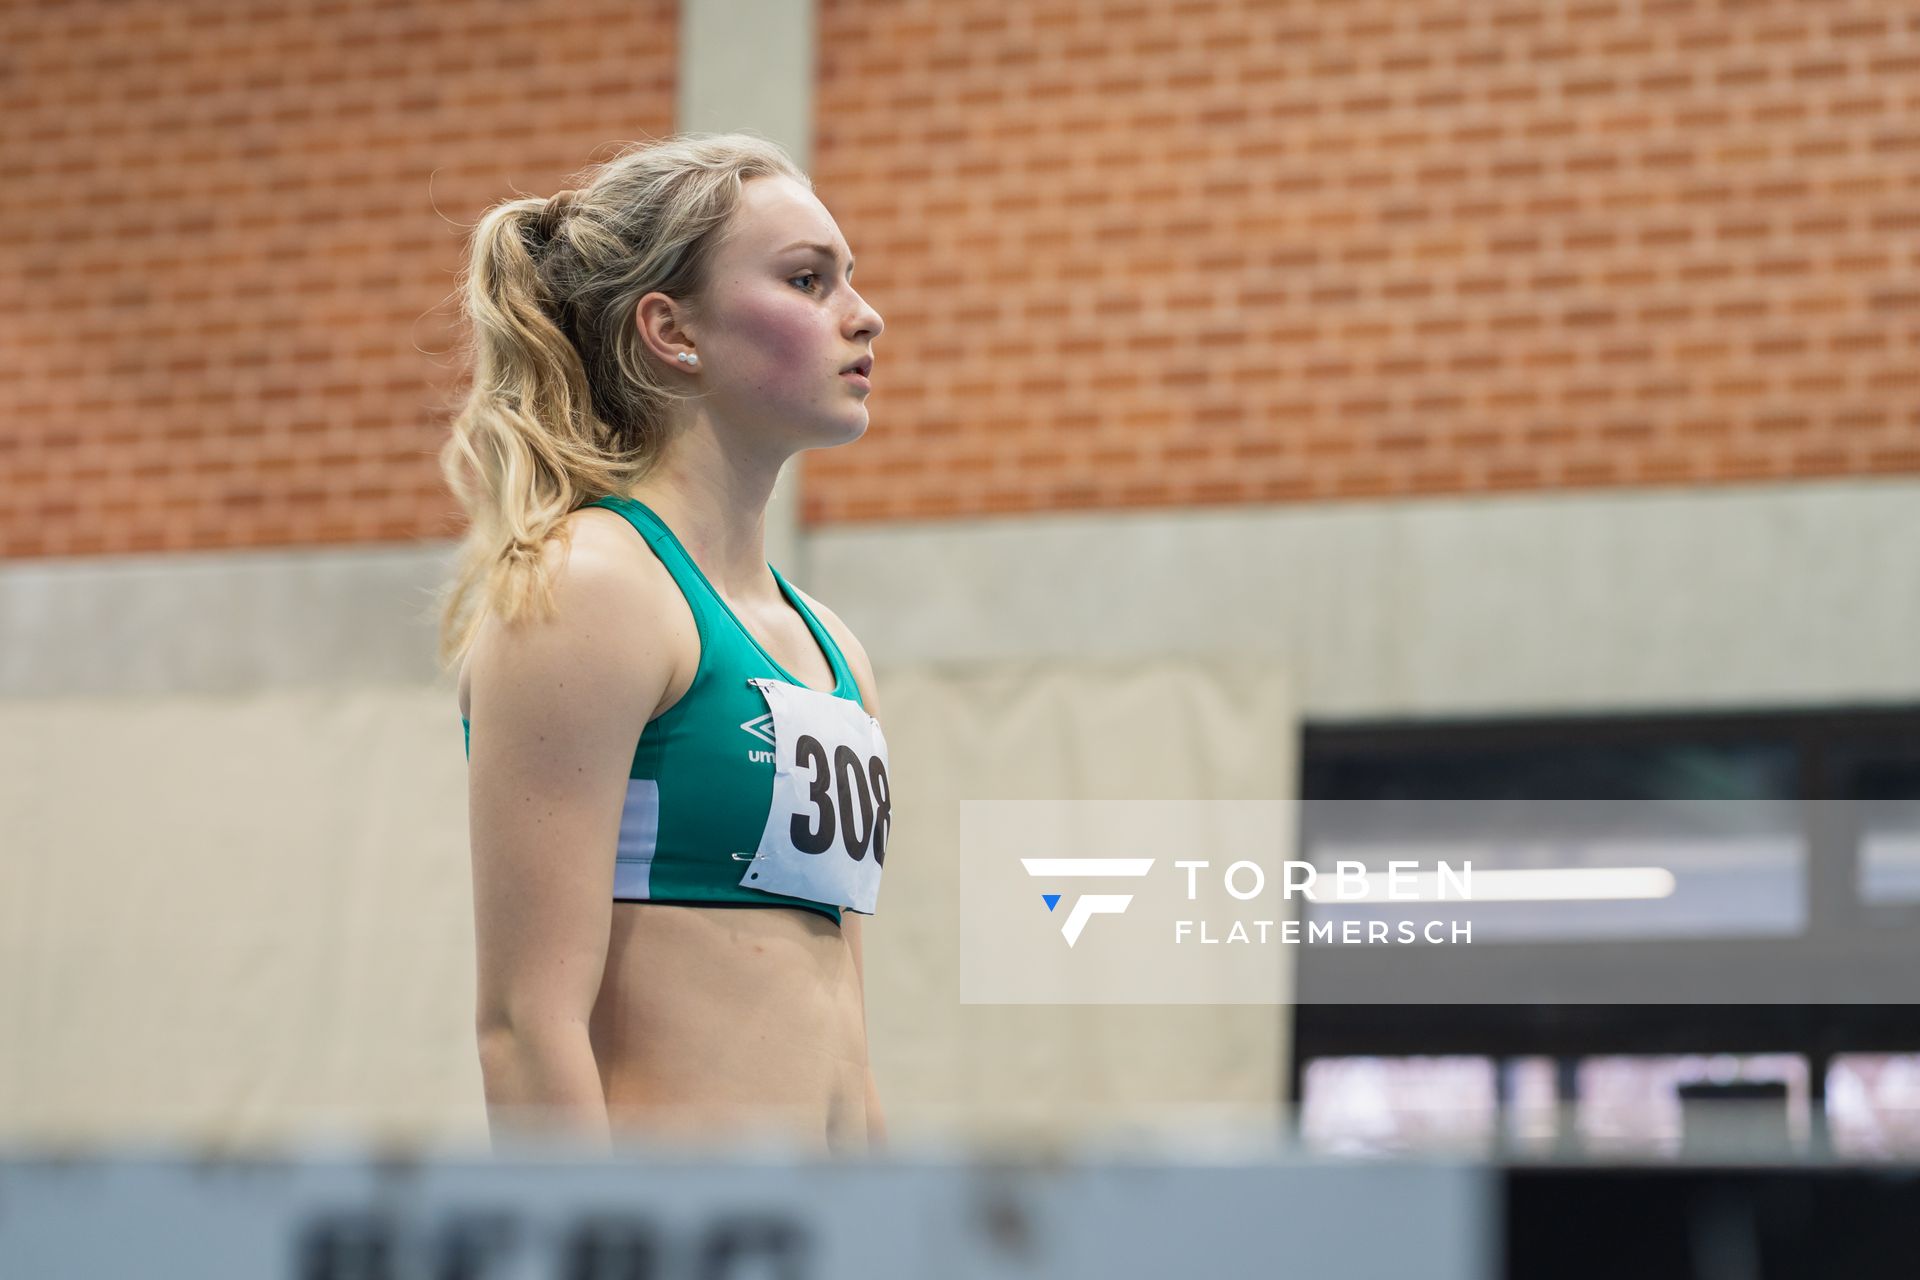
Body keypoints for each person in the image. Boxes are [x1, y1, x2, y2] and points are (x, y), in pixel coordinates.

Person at [435, 132, 889, 1156]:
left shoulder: (832, 649)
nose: (865, 315)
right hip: (666, 1229)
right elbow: (523, 1024)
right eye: (808, 280)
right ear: (670, 329)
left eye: (850, 279)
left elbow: (843, 1029)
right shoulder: (591, 590)